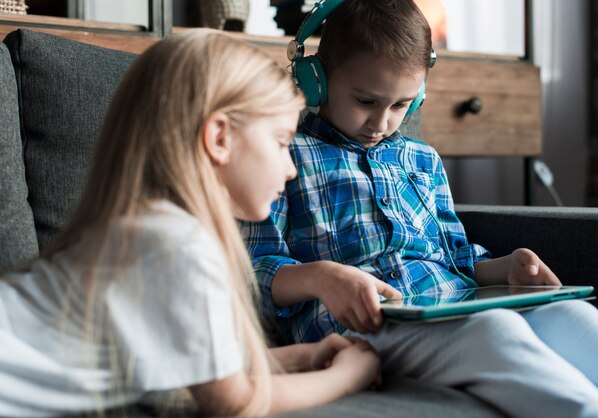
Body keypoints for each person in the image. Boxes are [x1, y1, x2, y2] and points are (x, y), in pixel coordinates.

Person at [241, 1, 598, 417]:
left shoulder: (423, 160)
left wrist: (508, 269)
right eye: (366, 100)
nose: (382, 122)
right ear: (317, 80)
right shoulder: (285, 155)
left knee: (565, 312)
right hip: (365, 325)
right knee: (493, 329)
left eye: (400, 105)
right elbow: (251, 272)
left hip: (453, 302)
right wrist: (321, 277)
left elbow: (455, 257)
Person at [0, 29, 382, 417]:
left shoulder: (151, 231)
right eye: (282, 142)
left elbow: (209, 371)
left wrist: (307, 356)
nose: (289, 169)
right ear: (219, 137)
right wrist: (349, 377)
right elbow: (233, 402)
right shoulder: (181, 245)